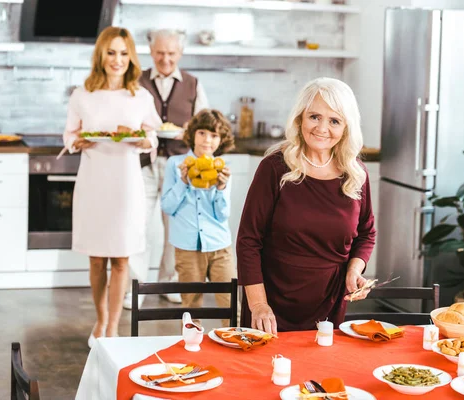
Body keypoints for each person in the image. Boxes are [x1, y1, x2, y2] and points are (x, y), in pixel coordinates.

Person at [236, 77, 376, 334]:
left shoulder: (356, 173)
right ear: (300, 118)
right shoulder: (274, 167)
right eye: (314, 117)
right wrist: (258, 305)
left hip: (329, 303)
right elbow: (248, 240)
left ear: (346, 127)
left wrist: (353, 270)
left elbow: (366, 233)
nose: (322, 128)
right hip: (271, 304)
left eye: (334, 120)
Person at [63, 26, 162, 346]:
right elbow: (69, 136)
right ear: (101, 56)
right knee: (96, 258)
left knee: (121, 258)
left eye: (123, 53)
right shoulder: (82, 95)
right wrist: (78, 142)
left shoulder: (140, 96)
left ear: (130, 57)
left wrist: (146, 140)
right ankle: (101, 318)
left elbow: (153, 136)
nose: (117, 60)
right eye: (111, 52)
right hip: (93, 181)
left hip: (126, 184)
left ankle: (114, 326)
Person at [124, 29, 210, 309]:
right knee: (138, 226)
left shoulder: (193, 85)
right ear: (151, 53)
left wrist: (188, 133)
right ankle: (133, 288)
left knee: (176, 227)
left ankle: (171, 282)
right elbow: (126, 119)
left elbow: (204, 126)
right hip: (142, 164)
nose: (165, 59)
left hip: (178, 166)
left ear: (180, 54)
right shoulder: (135, 82)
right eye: (160, 53)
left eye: (171, 53)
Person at [160, 109, 235, 325]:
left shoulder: (222, 169)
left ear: (221, 140)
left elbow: (222, 215)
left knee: (231, 306)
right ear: (193, 134)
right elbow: (168, 206)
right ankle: (193, 351)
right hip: (187, 247)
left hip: (219, 246)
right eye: (202, 133)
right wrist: (183, 182)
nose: (207, 140)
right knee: (191, 310)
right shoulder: (175, 165)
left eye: (214, 135)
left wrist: (221, 188)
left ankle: (234, 350)